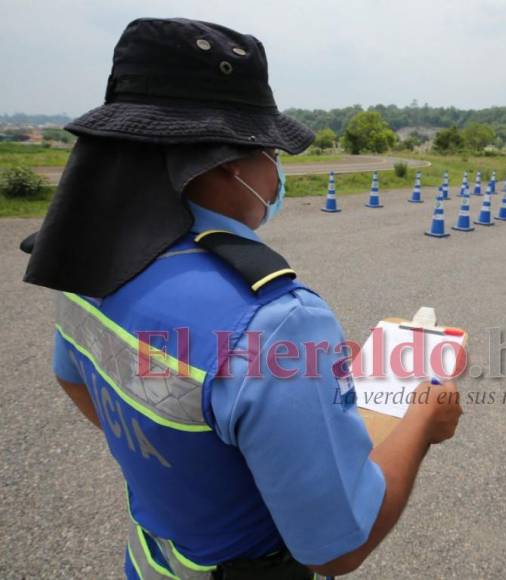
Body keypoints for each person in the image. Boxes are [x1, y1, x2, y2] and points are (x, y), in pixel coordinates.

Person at [21, 17, 462, 579]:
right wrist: (423, 420)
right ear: (231, 162)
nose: (277, 172)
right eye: (272, 153)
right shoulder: (276, 321)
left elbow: (74, 378)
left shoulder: (86, 263)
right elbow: (337, 550)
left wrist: (175, 469)